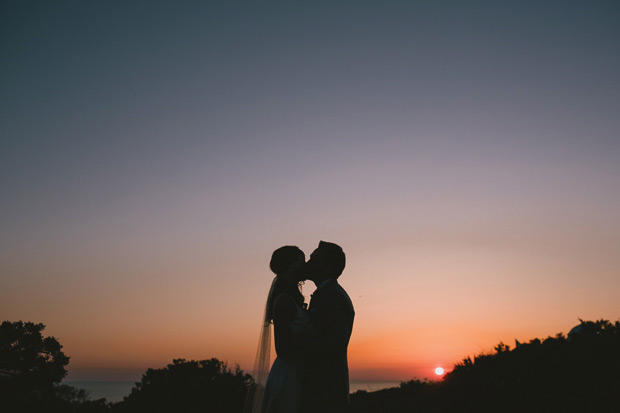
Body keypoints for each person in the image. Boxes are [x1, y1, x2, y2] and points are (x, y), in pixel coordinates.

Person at [247, 246, 309, 413]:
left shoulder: (291, 298)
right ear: (291, 266)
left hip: (297, 372)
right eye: (302, 261)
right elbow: (282, 349)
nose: (307, 266)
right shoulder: (283, 300)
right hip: (288, 376)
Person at [301, 241, 355, 413]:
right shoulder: (326, 294)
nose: (307, 264)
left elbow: (333, 342)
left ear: (328, 268)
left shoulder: (334, 297)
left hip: (326, 392)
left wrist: (297, 348)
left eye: (314, 260)